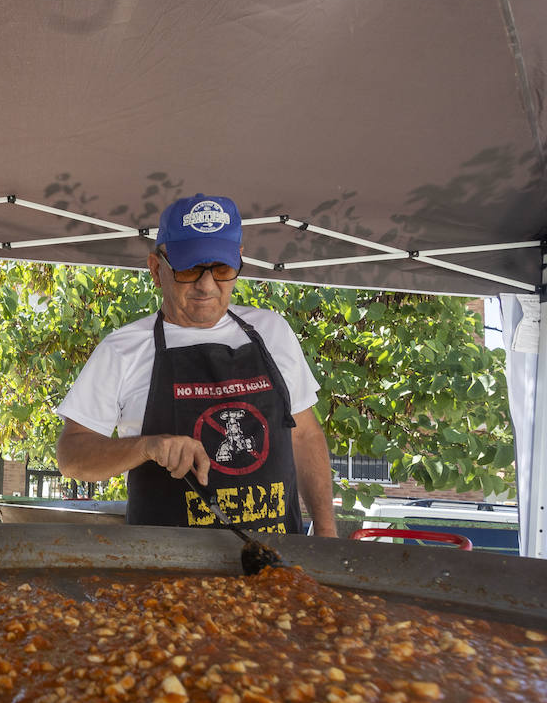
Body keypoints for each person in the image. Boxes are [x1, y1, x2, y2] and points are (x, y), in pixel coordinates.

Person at [56, 194, 338, 536]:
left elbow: (305, 437)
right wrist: (146, 446)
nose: (206, 286)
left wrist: (325, 533)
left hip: (275, 564)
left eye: (221, 269)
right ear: (156, 268)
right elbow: (72, 456)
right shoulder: (122, 350)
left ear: (239, 261)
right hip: (167, 572)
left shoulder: (272, 331)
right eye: (190, 269)